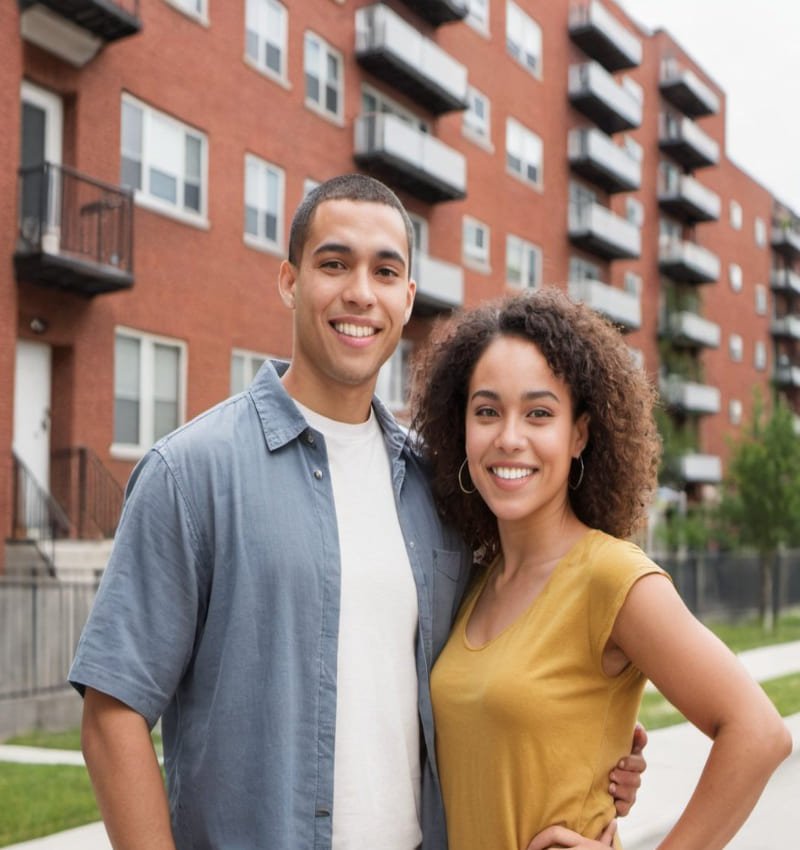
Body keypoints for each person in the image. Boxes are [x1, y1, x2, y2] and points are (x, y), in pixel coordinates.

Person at [69, 175, 645, 850]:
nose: (359, 293)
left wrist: (589, 754)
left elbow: (500, 673)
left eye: (385, 271)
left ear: (407, 299)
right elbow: (112, 715)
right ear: (289, 280)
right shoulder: (191, 473)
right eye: (334, 263)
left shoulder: (443, 489)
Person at [410, 288, 792, 850]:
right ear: (460, 426)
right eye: (487, 411)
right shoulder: (480, 581)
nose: (509, 438)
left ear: (579, 434)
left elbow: (759, 733)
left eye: (539, 413)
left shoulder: (611, 576)